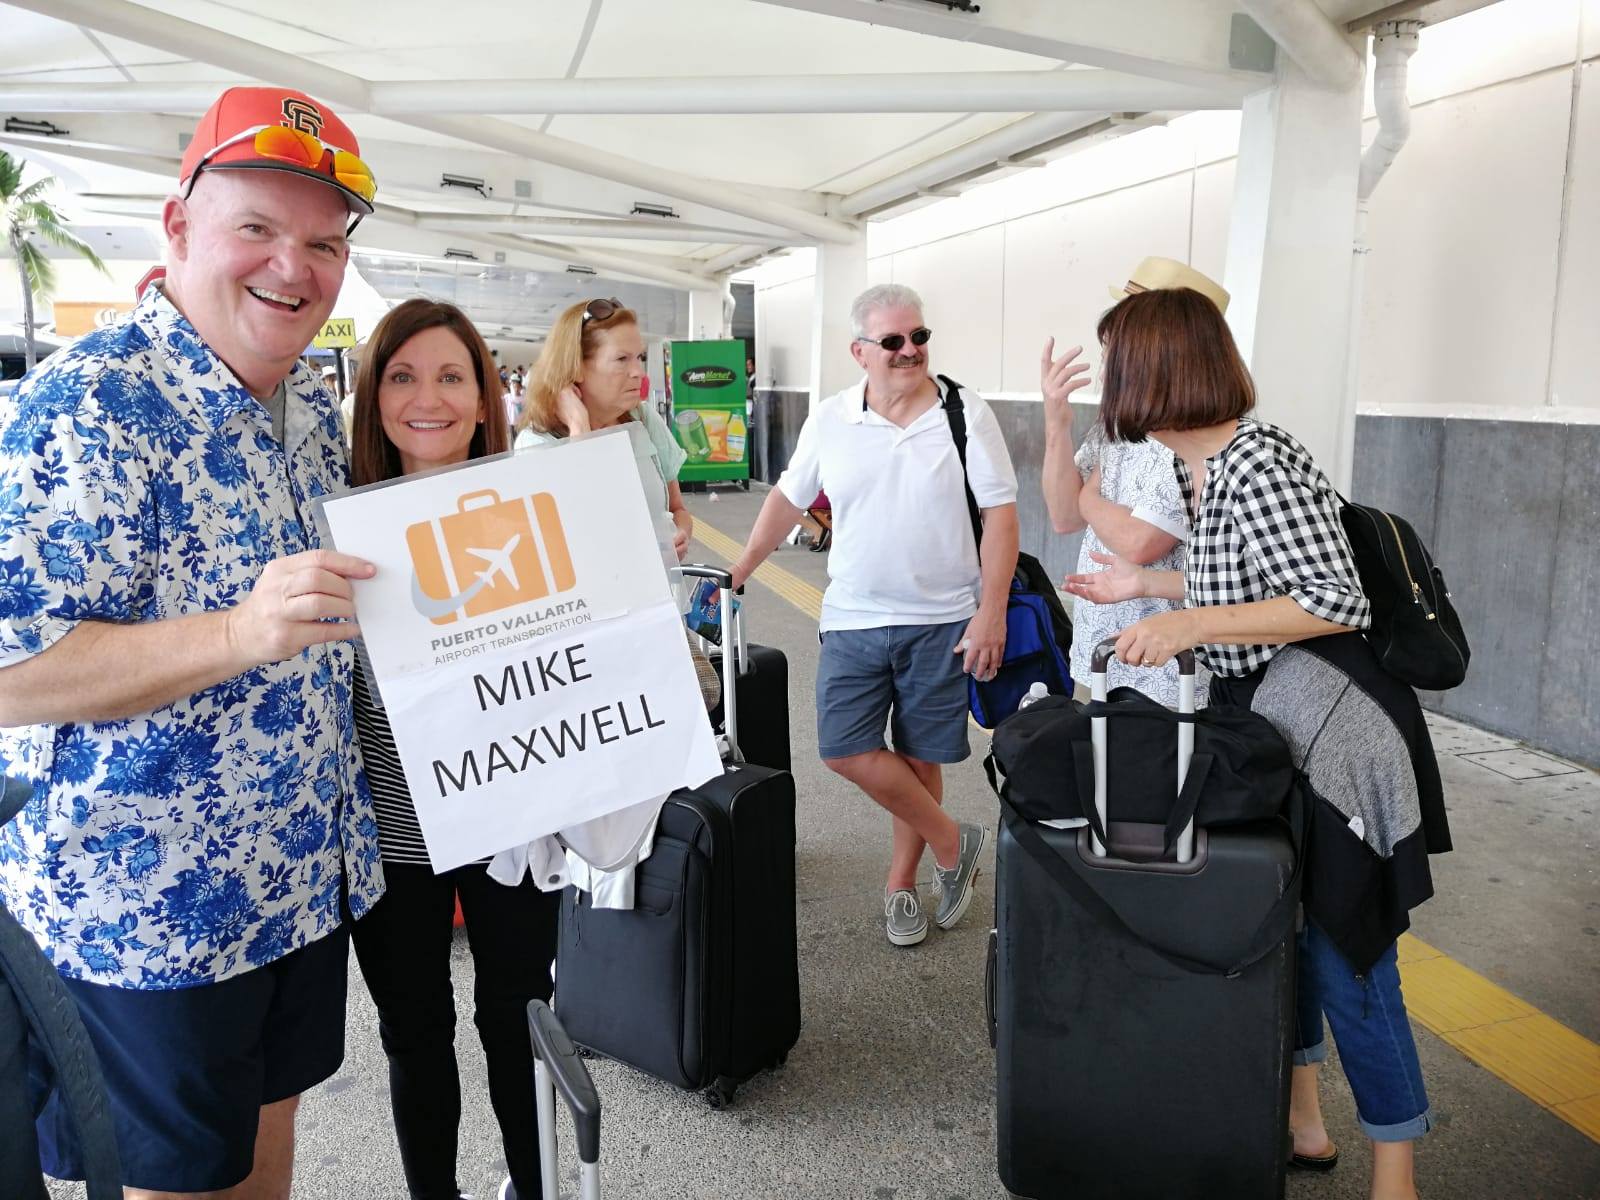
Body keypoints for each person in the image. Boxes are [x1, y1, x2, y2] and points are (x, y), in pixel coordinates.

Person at [0, 84, 385, 1197]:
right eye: (256, 229)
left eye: (322, 242)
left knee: (265, 1163)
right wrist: (235, 633)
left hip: (296, 885)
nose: (293, 267)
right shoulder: (87, 407)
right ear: (177, 229)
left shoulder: (305, 400)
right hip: (151, 922)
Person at [1063, 287, 1448, 1200]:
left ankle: (1398, 1175)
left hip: (1337, 740)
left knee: (1350, 951)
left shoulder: (1257, 461)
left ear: (1156, 373)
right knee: (1291, 925)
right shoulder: (1210, 467)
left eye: (1118, 362)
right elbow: (1239, 568)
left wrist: (1189, 623)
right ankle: (1303, 1124)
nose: (1111, 381)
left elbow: (1331, 600)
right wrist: (1145, 586)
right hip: (1280, 725)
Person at [729, 283, 1019, 948]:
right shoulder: (831, 418)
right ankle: (956, 842)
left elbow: (1001, 516)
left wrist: (991, 614)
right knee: (845, 749)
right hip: (854, 615)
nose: (911, 350)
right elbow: (787, 497)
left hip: (944, 619)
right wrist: (744, 563)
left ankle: (900, 886)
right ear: (859, 351)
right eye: (893, 341)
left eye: (919, 337)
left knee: (921, 758)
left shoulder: (963, 412)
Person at [345, 298, 557, 1200]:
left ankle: (533, 1185)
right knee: (414, 1031)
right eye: (401, 376)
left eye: (450, 376)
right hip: (392, 826)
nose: (425, 398)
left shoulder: (535, 514)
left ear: (483, 398)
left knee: (517, 1018)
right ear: (373, 396)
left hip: (508, 812)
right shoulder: (335, 524)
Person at [1041, 257, 1222, 708]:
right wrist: (1055, 424)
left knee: (1157, 772)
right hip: (1103, 645)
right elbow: (1064, 515)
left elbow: (1140, 542)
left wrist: (1089, 495)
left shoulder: (1192, 432)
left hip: (1168, 662)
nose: (1108, 363)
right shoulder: (1120, 421)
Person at [515, 298, 693, 562]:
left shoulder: (643, 419)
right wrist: (579, 428)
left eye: (639, 357)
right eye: (622, 359)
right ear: (576, 367)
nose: (638, 373)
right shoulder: (536, 444)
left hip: (661, 593)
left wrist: (681, 532)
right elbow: (564, 539)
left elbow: (677, 508)